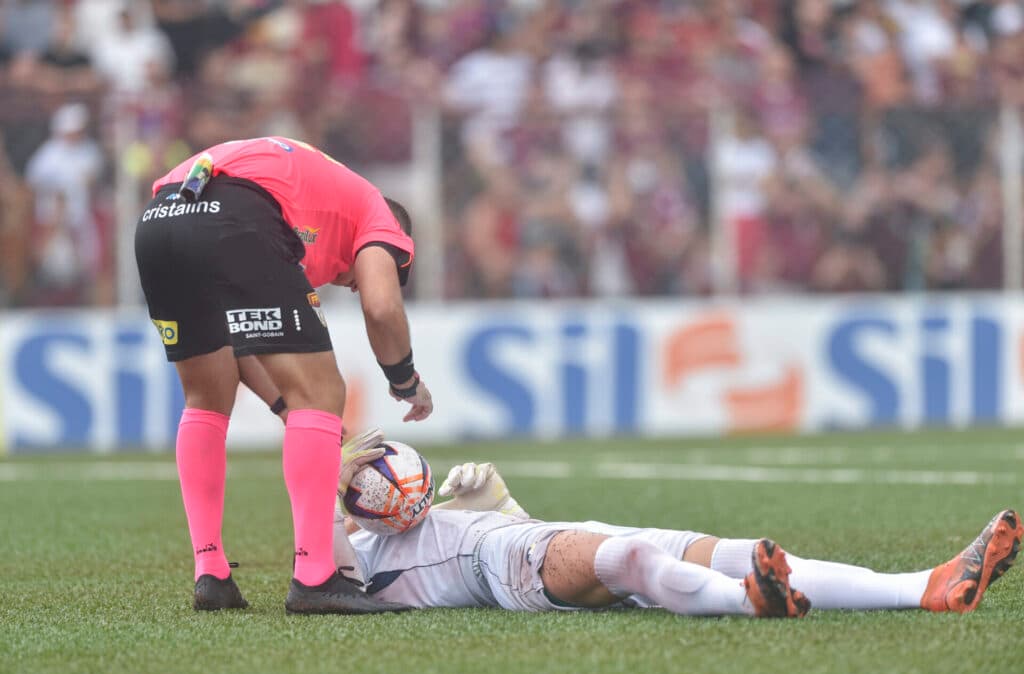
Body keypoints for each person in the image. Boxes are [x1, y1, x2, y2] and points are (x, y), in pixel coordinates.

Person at [135, 136, 433, 615]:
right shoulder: (378, 214)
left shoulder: (310, 213)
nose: (355, 286)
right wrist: (405, 381)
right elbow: (382, 308)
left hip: (160, 218)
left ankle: (211, 573)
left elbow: (241, 348)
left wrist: (285, 407)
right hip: (236, 213)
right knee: (324, 391)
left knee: (206, 398)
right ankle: (314, 579)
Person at [332, 434, 1021, 618]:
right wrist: (331, 491)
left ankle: (925, 586)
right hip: (505, 568)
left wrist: (498, 503)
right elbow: (328, 565)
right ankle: (748, 602)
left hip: (531, 540)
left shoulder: (394, 531)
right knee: (629, 561)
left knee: (735, 550)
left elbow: (485, 534)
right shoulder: (355, 560)